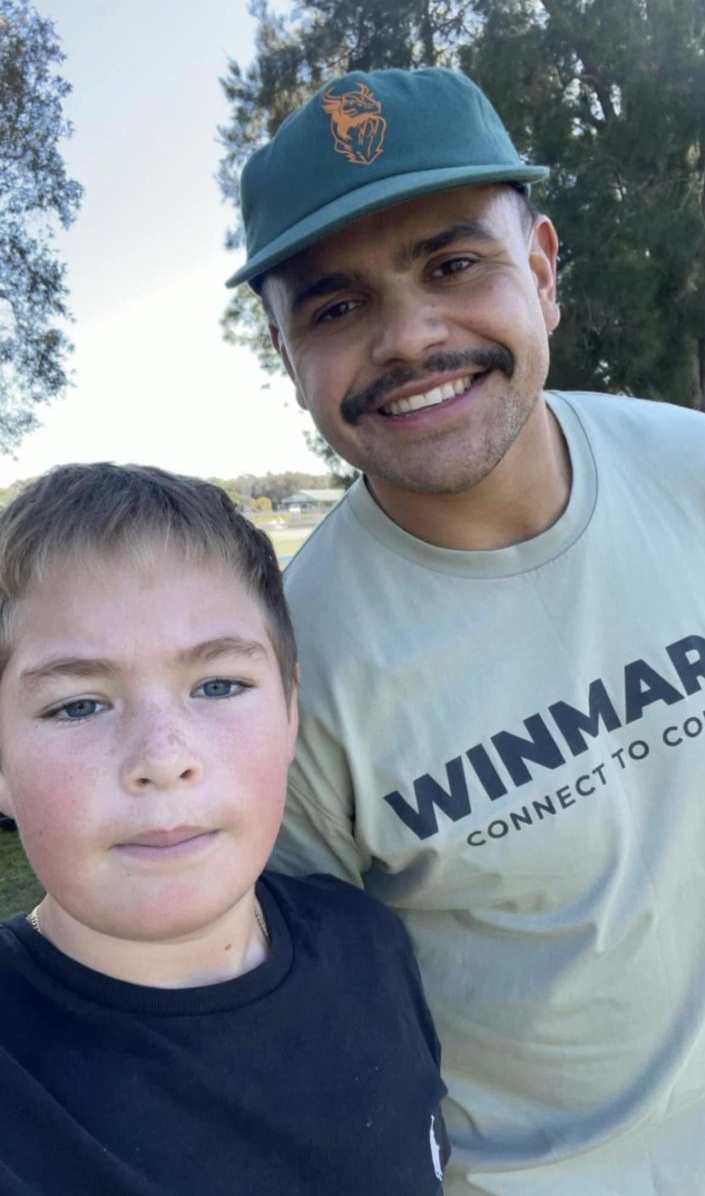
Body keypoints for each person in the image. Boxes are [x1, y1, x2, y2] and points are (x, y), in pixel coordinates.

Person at [226, 66, 705, 1194]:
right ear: (289, 353)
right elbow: (305, 1038)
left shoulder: (692, 471)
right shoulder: (291, 679)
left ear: (540, 269)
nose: (410, 337)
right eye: (336, 307)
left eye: (453, 264)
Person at [0, 462, 449, 1196]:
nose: (163, 759)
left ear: (289, 710)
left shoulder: (368, 940)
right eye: (77, 705)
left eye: (218, 686)